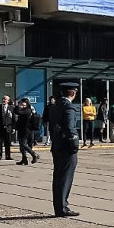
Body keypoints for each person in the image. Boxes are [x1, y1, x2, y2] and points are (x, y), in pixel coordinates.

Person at [49, 83, 80, 216]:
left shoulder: (54, 106)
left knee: (58, 177)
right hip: (66, 147)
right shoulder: (69, 107)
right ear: (73, 93)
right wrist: (74, 145)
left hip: (57, 145)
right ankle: (62, 207)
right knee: (66, 177)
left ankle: (59, 206)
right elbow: (70, 128)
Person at [14, 97, 41, 165]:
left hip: (26, 130)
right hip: (21, 129)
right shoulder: (24, 109)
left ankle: (34, 154)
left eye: (22, 102)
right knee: (21, 145)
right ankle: (24, 159)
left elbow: (18, 112)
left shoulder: (28, 110)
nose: (21, 103)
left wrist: (18, 106)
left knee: (23, 144)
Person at [0, 95, 15, 160]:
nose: (4, 100)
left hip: (8, 127)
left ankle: (8, 156)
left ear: (8, 101)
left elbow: (14, 118)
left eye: (5, 99)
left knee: (7, 142)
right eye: (3, 99)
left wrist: (13, 127)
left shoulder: (11, 108)